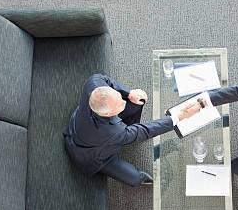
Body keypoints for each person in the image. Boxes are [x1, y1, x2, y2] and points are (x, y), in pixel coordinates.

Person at [64, 73, 201, 187]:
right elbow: (144, 131)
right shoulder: (113, 132)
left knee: (136, 102)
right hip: (91, 155)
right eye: (119, 105)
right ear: (106, 114)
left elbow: (105, 80)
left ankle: (129, 127)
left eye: (119, 98)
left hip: (82, 123)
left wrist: (129, 94)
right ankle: (139, 180)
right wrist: (179, 117)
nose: (123, 102)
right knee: (134, 177)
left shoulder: (93, 83)